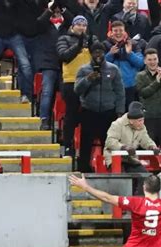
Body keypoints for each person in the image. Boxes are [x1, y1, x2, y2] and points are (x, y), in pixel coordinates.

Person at [74, 42, 125, 172]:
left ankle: (110, 168)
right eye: (95, 52)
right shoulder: (83, 70)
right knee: (86, 143)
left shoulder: (113, 69)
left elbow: (120, 91)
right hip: (89, 112)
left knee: (108, 143)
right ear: (91, 53)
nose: (98, 54)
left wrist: (120, 112)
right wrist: (88, 79)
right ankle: (84, 169)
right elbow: (77, 90)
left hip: (108, 112)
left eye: (101, 52)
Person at [56, 15, 96, 157]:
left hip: (90, 82)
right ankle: (68, 146)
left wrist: (91, 45)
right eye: (78, 24)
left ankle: (86, 149)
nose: (81, 27)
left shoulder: (91, 39)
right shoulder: (64, 39)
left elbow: (99, 56)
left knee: (89, 116)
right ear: (72, 26)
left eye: (84, 25)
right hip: (71, 82)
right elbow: (63, 56)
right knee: (71, 115)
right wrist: (78, 45)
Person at [35, 0, 73, 130]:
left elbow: (73, 21)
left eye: (58, 10)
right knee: (47, 92)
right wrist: (50, 9)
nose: (56, 12)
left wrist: (63, 8)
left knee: (67, 94)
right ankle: (44, 120)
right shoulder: (44, 23)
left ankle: (66, 122)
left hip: (66, 64)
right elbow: (39, 23)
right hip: (48, 64)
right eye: (54, 10)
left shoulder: (67, 25)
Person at [104, 101, 160, 173]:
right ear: (131, 121)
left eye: (143, 120)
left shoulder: (141, 126)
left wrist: (152, 146)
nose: (142, 123)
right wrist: (124, 147)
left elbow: (146, 139)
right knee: (123, 178)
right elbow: (109, 141)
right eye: (139, 121)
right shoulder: (117, 124)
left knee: (146, 176)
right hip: (115, 159)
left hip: (131, 159)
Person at [135, 48, 161, 150]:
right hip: (148, 117)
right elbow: (144, 93)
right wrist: (156, 82)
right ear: (145, 61)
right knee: (147, 147)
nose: (152, 62)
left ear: (158, 60)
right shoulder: (140, 76)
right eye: (150, 60)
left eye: (154, 59)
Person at [103, 20, 144, 109]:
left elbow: (140, 63)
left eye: (121, 30)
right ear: (111, 32)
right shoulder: (105, 45)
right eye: (115, 30)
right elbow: (100, 65)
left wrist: (130, 54)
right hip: (112, 87)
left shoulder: (133, 44)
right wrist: (110, 55)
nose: (118, 33)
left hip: (130, 86)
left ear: (124, 31)